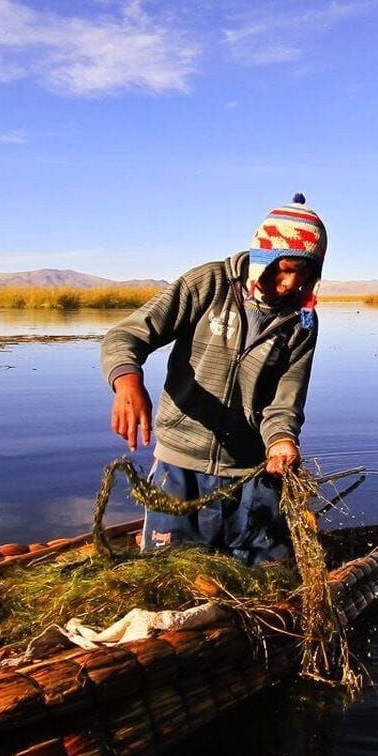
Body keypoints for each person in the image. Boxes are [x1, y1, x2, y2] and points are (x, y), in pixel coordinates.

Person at [100, 195, 326, 563]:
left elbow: (284, 403)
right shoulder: (210, 284)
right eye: (284, 268)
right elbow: (126, 336)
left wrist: (281, 441)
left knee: (268, 586)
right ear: (264, 257)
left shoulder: (302, 322)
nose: (289, 284)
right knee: (170, 577)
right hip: (180, 468)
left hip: (252, 473)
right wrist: (127, 380)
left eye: (304, 274)